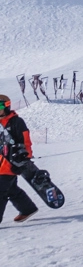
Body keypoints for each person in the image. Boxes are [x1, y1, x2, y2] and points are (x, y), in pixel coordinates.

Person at [0, 94, 38, 224]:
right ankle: (27, 209)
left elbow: (26, 141)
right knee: (10, 189)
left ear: (6, 106)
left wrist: (25, 158)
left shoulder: (16, 122)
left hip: (10, 163)